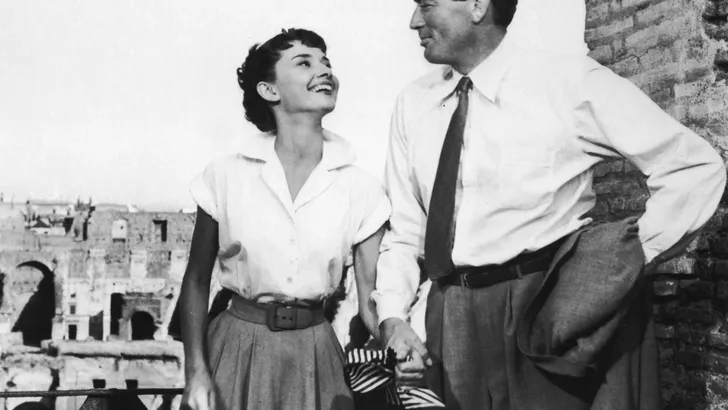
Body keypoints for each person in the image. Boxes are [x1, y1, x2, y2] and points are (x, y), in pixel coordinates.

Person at [372, 0, 727, 409]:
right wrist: (393, 316)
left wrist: (621, 263)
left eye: (427, 4)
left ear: (477, 5)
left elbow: (692, 168)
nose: (414, 20)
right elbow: (406, 230)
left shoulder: (569, 82)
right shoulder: (413, 104)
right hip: (450, 317)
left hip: (544, 310)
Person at [179, 28, 391, 410]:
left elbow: (371, 301)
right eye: (304, 63)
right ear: (269, 90)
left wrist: (398, 338)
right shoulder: (225, 175)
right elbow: (195, 281)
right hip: (235, 352)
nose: (324, 71)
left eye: (326, 62)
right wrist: (196, 372)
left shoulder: (362, 189)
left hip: (316, 358)